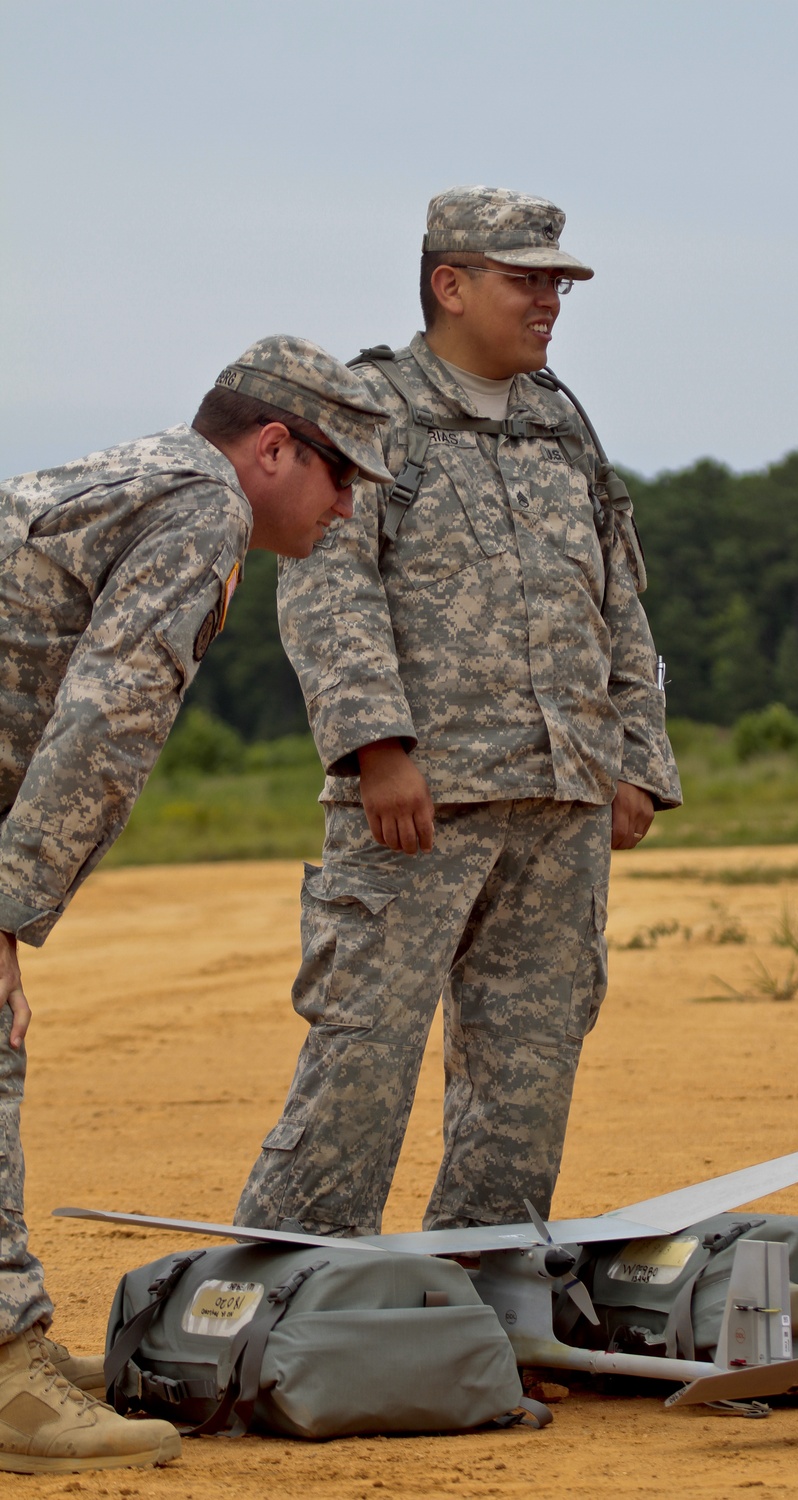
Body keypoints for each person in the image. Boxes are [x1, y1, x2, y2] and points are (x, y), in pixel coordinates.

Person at [235, 186, 681, 1243]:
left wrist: (634, 759)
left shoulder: (560, 420)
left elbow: (616, 592)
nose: (550, 301)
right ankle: (279, 1292)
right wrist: (376, 749)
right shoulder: (372, 410)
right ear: (450, 283)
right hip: (420, 801)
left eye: (557, 282)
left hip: (561, 796)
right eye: (526, 279)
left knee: (526, 1073)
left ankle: (483, 1293)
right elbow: (324, 581)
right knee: (363, 1053)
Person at [0, 334, 392, 1474]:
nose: (351, 503)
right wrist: (9, 912)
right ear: (273, 447)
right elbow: (107, 717)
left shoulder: (149, 474)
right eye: (343, 472)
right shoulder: (201, 510)